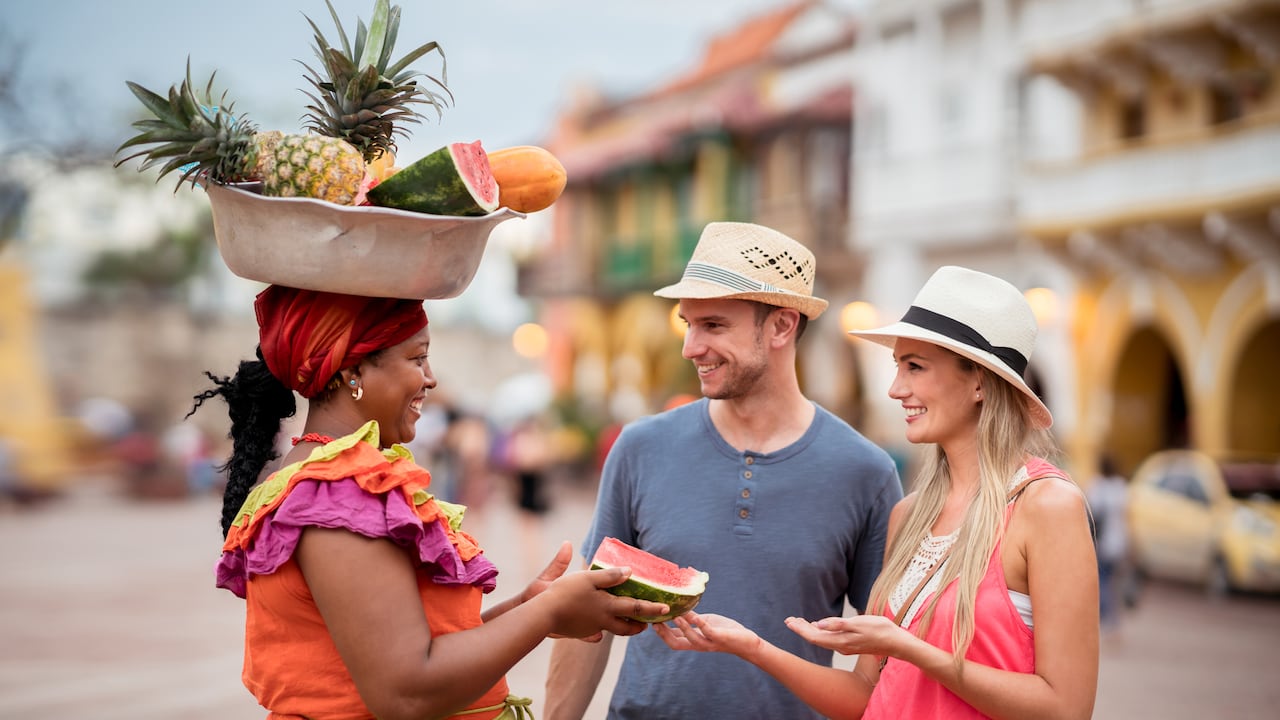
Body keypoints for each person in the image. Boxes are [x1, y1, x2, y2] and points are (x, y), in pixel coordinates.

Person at [190, 285, 669, 720]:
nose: (432, 379)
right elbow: (405, 693)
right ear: (353, 370)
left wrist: (529, 608)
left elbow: (416, 647)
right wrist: (546, 614)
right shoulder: (338, 492)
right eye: (417, 359)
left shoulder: (327, 478)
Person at [652, 265, 1099, 720]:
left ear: (980, 381)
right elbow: (866, 695)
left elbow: (1066, 709)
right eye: (898, 367)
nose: (895, 389)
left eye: (915, 367)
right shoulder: (908, 517)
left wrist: (912, 648)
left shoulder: (1047, 507)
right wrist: (751, 647)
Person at [544, 222, 903, 720]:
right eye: (687, 323)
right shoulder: (641, 447)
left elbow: (887, 652)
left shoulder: (866, 471)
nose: (690, 346)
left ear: (781, 326)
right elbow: (590, 618)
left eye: (713, 325)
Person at [1086, 454, 1130, 637]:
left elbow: (1089, 513)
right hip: (1119, 541)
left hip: (1102, 542)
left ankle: (1103, 619)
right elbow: (1127, 515)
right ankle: (1114, 621)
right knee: (1114, 582)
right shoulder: (1121, 486)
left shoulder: (1096, 487)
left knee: (1102, 580)